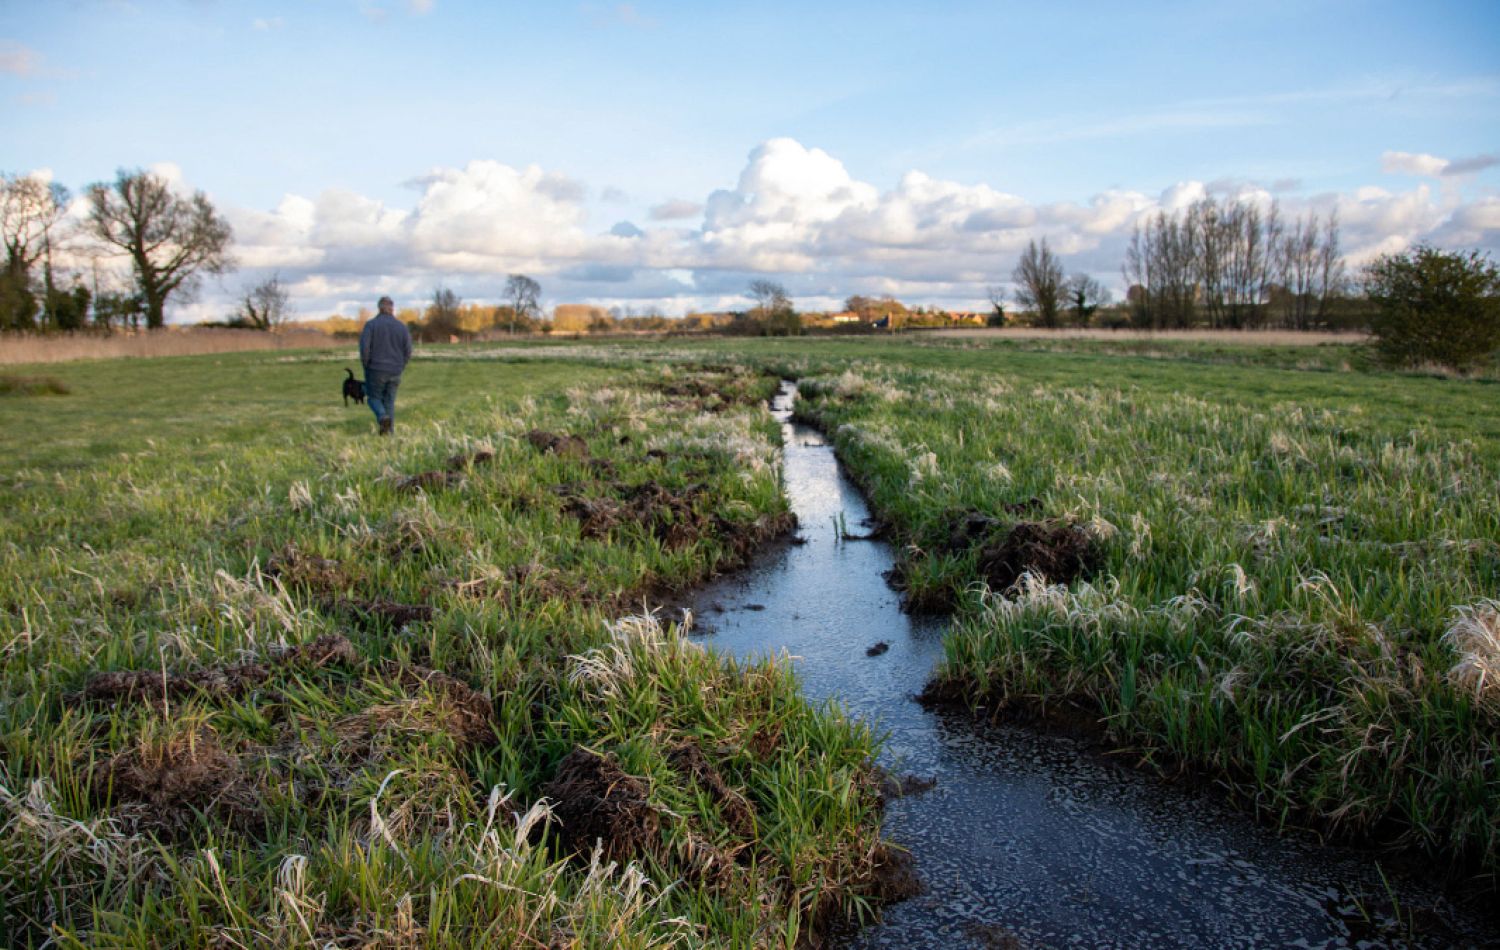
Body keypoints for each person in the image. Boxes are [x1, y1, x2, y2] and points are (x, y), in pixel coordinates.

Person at [358, 296, 413, 435]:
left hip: (376, 369)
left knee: (373, 398)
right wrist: (401, 365)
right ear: (392, 309)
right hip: (396, 370)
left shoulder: (371, 325)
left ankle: (382, 417)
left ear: (379, 308)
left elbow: (364, 349)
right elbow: (408, 350)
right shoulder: (402, 327)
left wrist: (366, 365)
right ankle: (389, 433)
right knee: (389, 401)